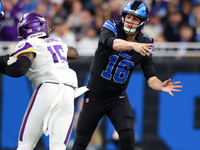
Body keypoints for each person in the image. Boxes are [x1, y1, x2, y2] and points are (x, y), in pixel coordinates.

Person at [72, 1, 182, 150]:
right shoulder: (111, 26)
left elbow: (150, 76)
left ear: (142, 22)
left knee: (128, 137)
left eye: (135, 19)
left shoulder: (146, 42)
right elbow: (113, 43)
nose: (130, 21)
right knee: (81, 141)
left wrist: (160, 85)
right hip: (95, 94)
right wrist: (133, 45)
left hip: (117, 97)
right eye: (128, 17)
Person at [1, 12, 88, 150]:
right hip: (68, 91)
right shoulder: (57, 41)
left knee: (26, 144)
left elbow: (19, 69)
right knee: (58, 145)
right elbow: (74, 53)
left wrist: (4, 66)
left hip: (48, 87)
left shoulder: (29, 43)